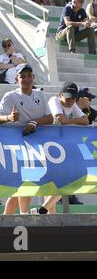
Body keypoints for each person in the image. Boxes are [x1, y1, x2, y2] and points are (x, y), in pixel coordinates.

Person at [0, 64, 53, 215]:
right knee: (25, 183)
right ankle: (23, 216)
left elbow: (50, 118)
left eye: (28, 75)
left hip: (41, 145)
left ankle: (8, 219)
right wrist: (8, 118)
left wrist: (34, 122)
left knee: (36, 184)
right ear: (16, 79)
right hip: (20, 146)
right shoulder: (11, 96)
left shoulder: (40, 94)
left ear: (33, 77)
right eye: (22, 76)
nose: (26, 79)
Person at [35, 82, 88, 214]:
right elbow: (60, 119)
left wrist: (68, 121)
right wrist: (73, 122)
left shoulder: (72, 104)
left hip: (62, 147)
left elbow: (86, 121)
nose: (71, 101)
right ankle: (48, 214)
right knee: (53, 182)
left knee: (67, 181)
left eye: (74, 98)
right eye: (68, 98)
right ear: (60, 95)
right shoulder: (54, 101)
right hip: (48, 146)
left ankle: (45, 210)